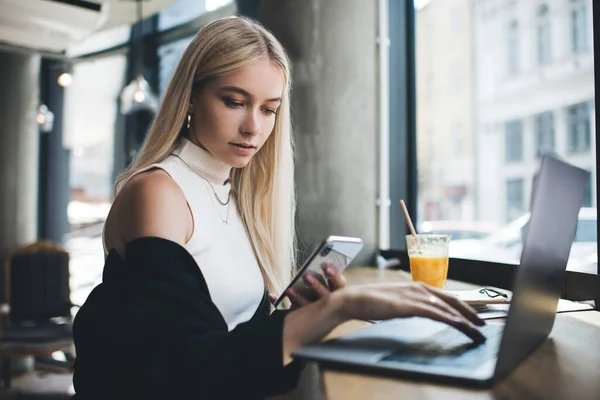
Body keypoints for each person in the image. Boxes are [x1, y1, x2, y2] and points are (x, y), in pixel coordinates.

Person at [71, 16, 485, 400]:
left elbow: (234, 345)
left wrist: (306, 311)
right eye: (235, 101)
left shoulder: (231, 194)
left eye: (269, 109)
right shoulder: (159, 192)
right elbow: (186, 368)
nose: (254, 126)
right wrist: (340, 307)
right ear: (191, 97)